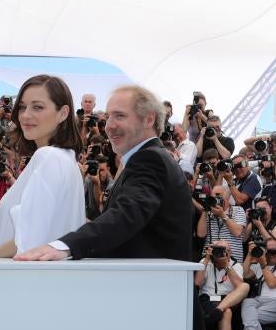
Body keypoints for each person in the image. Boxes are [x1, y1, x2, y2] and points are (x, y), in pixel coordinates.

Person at [16, 85, 192, 261]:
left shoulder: (151, 159)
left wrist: (67, 245)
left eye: (120, 116)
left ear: (149, 120)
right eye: (108, 117)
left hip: (153, 284)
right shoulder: (144, 159)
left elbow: (127, 215)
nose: (109, 126)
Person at [0, 75, 85, 258]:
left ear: (63, 113)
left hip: (24, 279)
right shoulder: (66, 159)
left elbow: (25, 240)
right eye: (22, 107)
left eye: (38, 107)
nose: (25, 115)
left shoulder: (49, 157)